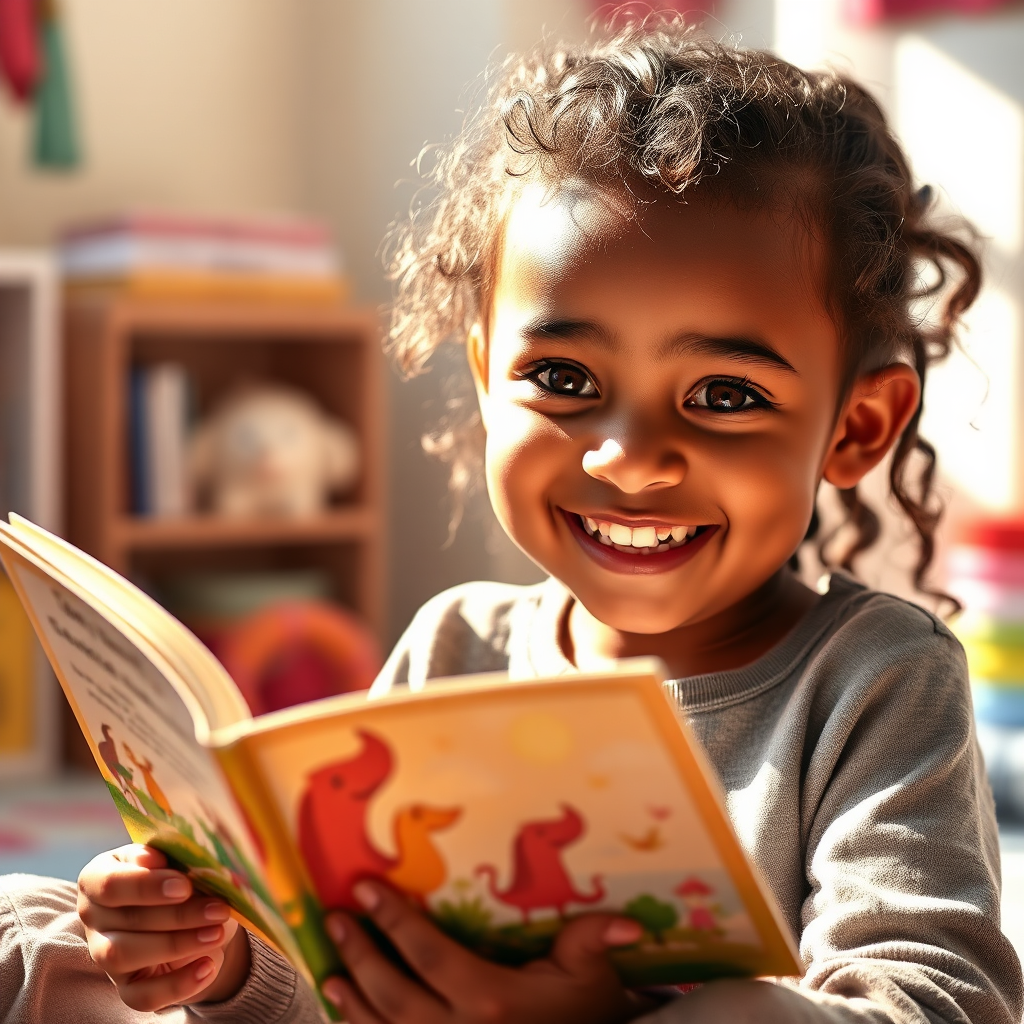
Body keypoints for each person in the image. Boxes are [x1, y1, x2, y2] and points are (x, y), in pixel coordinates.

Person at [24, 19, 1024, 1024]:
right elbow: (348, 978)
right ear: (483, 378)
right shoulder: (454, 646)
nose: (625, 456)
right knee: (37, 929)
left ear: (857, 426)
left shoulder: (879, 679)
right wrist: (218, 956)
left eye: (722, 393)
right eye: (562, 378)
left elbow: (937, 1002)